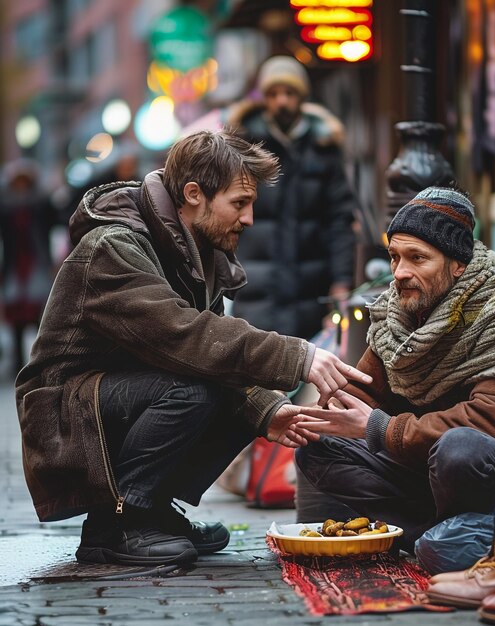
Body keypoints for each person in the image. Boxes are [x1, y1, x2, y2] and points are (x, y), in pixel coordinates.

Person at [15, 130, 371, 567]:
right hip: (65, 417)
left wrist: (267, 410)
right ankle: (116, 526)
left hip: (116, 396)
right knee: (192, 389)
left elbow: (211, 348)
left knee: (228, 381)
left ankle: (154, 511)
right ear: (193, 195)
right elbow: (183, 336)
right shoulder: (113, 247)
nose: (249, 219)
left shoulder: (195, 249)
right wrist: (300, 357)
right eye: (239, 203)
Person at [293, 186, 495, 551]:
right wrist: (310, 416)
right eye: (395, 257)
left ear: (459, 263)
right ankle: (433, 534)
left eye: (417, 258)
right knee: (318, 447)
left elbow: (486, 422)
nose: (400, 273)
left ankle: (453, 536)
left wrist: (380, 427)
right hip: (433, 468)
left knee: (458, 449)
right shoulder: (401, 313)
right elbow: (363, 392)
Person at [226, 55, 359, 339]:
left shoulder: (324, 148)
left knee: (309, 368)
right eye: (273, 94)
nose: (281, 101)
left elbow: (340, 221)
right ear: (264, 98)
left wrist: (341, 282)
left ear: (301, 96)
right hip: (256, 288)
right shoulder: (244, 147)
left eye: (289, 93)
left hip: (311, 290)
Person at [0, 160, 55, 375]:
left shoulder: (40, 203)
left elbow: (53, 224)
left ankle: (40, 359)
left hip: (36, 260)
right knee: (16, 315)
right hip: (14, 263)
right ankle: (16, 360)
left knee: (38, 314)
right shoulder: (5, 205)